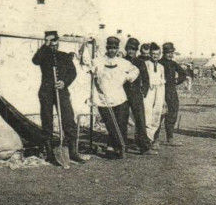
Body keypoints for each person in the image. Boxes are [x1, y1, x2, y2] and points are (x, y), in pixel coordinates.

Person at [32, 30, 82, 163]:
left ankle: (72, 152)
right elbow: (35, 61)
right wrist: (45, 45)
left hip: (62, 92)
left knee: (68, 119)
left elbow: (72, 73)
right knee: (47, 121)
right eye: (49, 41)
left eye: (54, 41)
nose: (52, 44)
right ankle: (49, 153)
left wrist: (64, 82)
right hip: (46, 92)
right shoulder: (43, 56)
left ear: (58, 41)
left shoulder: (64, 56)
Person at [93, 36, 139, 159]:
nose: (112, 50)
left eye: (114, 48)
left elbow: (135, 71)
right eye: (110, 48)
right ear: (106, 48)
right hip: (103, 99)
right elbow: (90, 74)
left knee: (121, 123)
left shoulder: (123, 62)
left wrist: (127, 77)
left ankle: (117, 148)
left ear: (117, 49)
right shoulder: (98, 61)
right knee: (111, 125)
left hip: (120, 98)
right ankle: (115, 146)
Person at [123, 38, 154, 155]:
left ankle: (144, 147)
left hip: (136, 94)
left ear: (136, 50)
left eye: (133, 49)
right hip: (122, 94)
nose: (131, 51)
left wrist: (143, 92)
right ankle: (122, 145)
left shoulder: (140, 62)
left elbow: (146, 79)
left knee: (140, 120)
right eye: (129, 49)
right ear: (126, 49)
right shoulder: (121, 61)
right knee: (122, 119)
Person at [160, 42, 188, 146]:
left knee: (172, 113)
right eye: (168, 53)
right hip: (160, 91)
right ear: (163, 53)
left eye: (172, 53)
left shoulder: (173, 64)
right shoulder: (159, 63)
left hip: (171, 91)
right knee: (158, 114)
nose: (170, 55)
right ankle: (154, 139)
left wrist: (177, 81)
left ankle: (170, 138)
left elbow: (183, 74)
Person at [144, 43, 166, 147]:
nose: (155, 56)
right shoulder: (146, 64)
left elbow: (162, 81)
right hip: (149, 90)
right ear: (150, 54)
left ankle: (151, 138)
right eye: (153, 54)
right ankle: (146, 138)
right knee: (147, 112)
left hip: (159, 90)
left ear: (160, 54)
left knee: (157, 112)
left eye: (157, 54)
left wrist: (163, 98)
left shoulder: (161, 67)